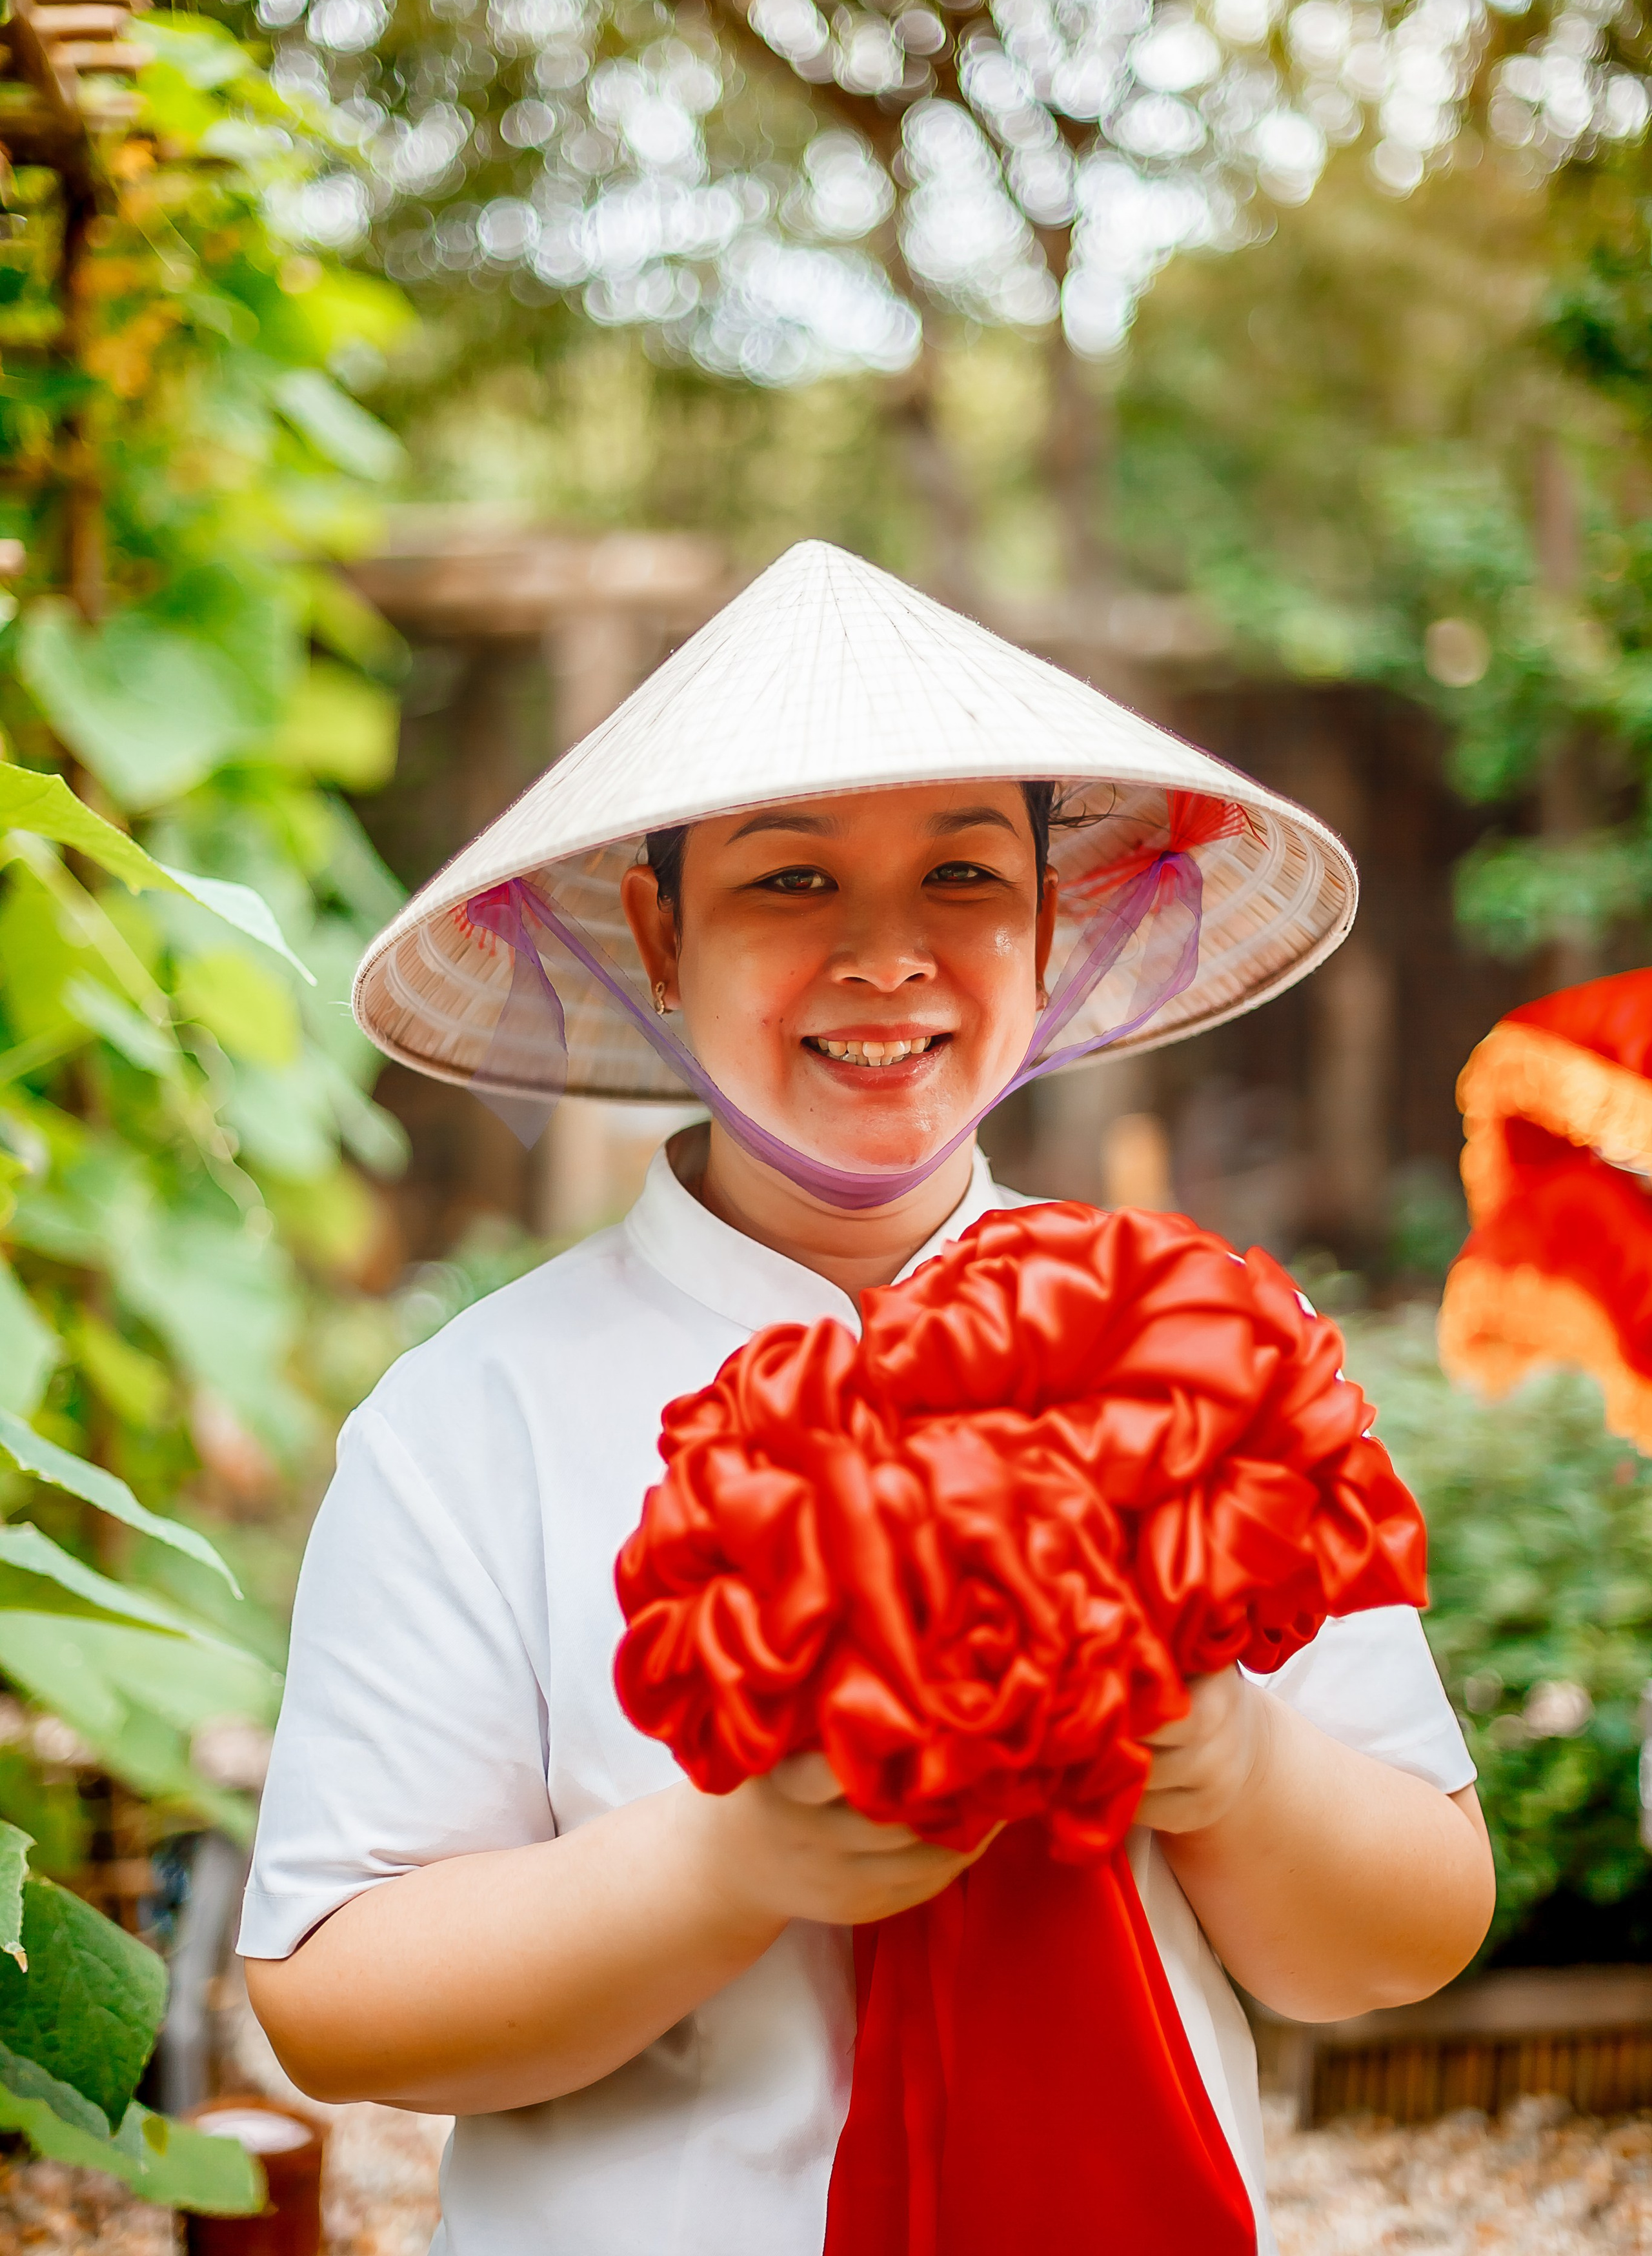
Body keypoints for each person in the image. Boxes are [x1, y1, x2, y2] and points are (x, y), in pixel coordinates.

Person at [241, 543, 1495, 2256]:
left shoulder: (1202, 1361)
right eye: (793, 883)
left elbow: (1409, 1931)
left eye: (966, 875)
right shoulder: (476, 1420)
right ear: (658, 935)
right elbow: (333, 1998)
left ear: (1049, 935)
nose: (889, 954)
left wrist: (1224, 1758)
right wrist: (731, 1868)